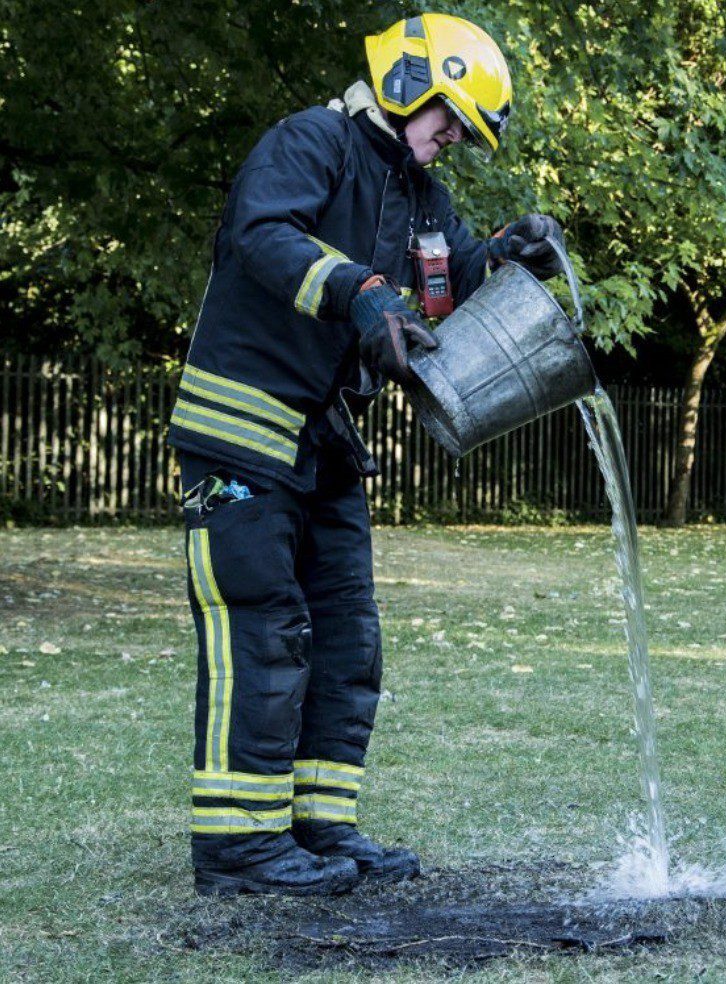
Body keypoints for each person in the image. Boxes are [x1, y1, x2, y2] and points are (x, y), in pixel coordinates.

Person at [167, 13, 565, 897]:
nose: (452, 136)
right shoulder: (310, 142)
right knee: (262, 628)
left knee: (346, 638)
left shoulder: (423, 196)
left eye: (463, 128)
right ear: (408, 80)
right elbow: (263, 235)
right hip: (240, 428)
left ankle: (318, 827)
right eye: (450, 116)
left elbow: (445, 280)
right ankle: (239, 848)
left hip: (325, 444)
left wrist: (505, 254)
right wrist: (356, 293)